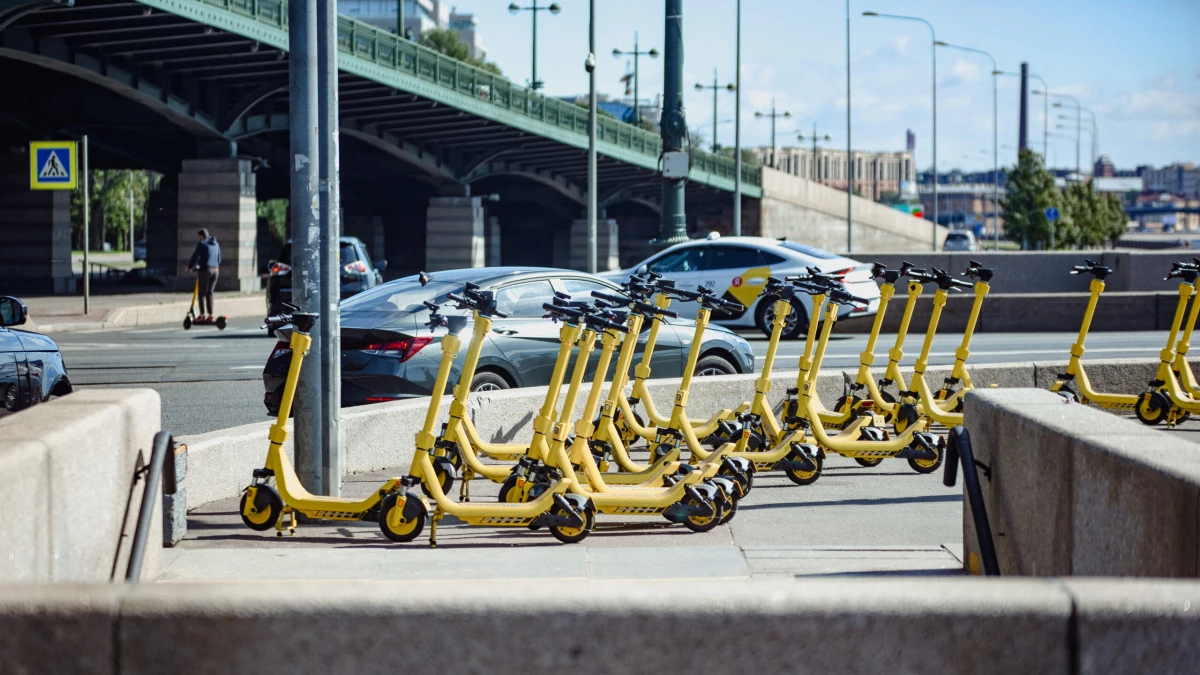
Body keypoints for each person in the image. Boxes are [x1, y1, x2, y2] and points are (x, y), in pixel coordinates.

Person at [187, 229, 221, 320]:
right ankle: (210, 315)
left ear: (202, 236)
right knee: (209, 293)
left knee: (201, 293)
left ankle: (202, 315)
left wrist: (190, 267)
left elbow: (195, 256)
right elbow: (219, 258)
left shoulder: (202, 244)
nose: (199, 238)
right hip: (216, 270)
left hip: (206, 270)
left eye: (199, 236)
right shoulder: (216, 244)